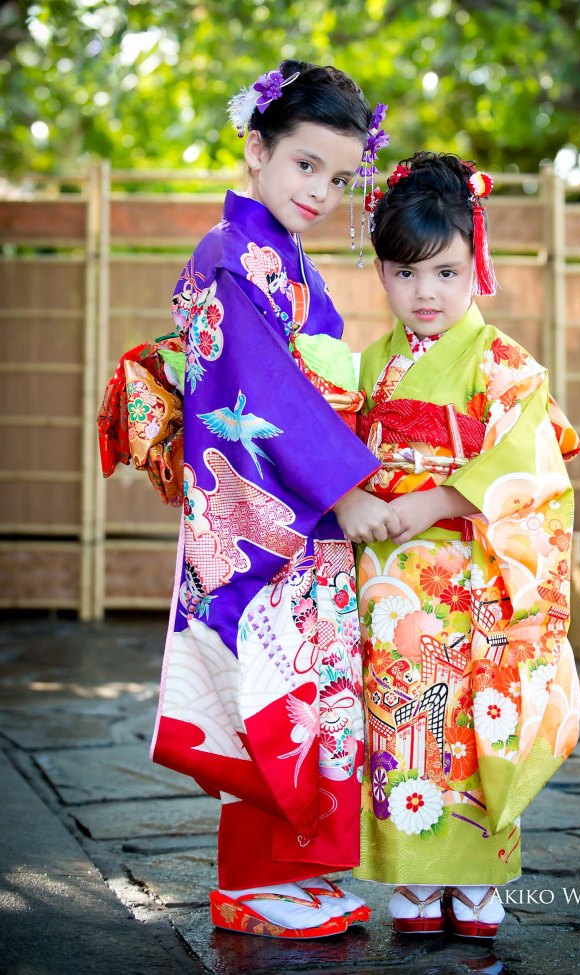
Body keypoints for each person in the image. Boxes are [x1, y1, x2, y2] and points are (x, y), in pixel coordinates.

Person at [121, 61, 401, 939]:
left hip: (295, 511)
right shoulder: (228, 253)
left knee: (307, 688)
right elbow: (260, 387)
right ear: (256, 150)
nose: (320, 190)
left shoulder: (284, 257)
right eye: (304, 165)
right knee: (265, 688)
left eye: (338, 176)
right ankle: (246, 880)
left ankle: (292, 866)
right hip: (255, 511)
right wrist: (345, 485)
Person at [350, 152, 580, 938]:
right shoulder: (373, 365)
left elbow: (528, 460)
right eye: (406, 274)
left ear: (474, 267)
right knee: (401, 720)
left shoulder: (500, 364)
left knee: (478, 718)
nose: (426, 294)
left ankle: (480, 872)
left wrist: (440, 498)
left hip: (475, 573)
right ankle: (414, 875)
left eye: (446, 273)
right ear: (380, 273)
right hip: (391, 580)